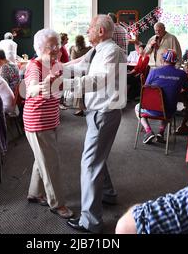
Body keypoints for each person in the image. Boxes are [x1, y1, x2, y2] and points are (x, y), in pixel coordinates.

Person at [65, 15, 127, 233]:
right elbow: (79, 65)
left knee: (90, 162)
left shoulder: (112, 52)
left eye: (90, 27)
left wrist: (63, 84)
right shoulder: (96, 51)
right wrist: (55, 66)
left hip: (104, 112)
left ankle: (90, 222)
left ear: (100, 31)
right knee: (97, 156)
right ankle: (108, 194)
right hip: (98, 111)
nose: (87, 30)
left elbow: (99, 79)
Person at [23, 28, 74, 220]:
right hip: (37, 121)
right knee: (51, 163)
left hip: (50, 119)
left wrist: (88, 57)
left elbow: (72, 65)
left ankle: (35, 193)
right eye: (52, 45)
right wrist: (44, 84)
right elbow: (31, 89)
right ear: (40, 47)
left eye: (58, 44)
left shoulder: (54, 63)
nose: (57, 48)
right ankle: (57, 204)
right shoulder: (34, 66)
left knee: (42, 158)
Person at [135, 49, 188, 144]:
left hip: (151, 109)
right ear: (176, 61)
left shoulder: (154, 72)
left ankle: (148, 131)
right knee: (168, 104)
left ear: (163, 60)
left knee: (137, 108)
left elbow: (146, 88)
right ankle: (161, 132)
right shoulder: (182, 74)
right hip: (169, 111)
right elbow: (187, 88)